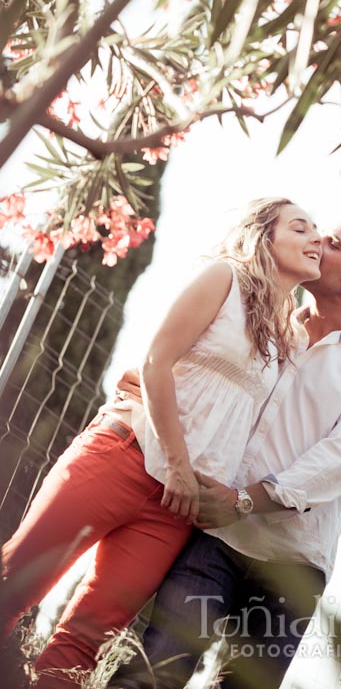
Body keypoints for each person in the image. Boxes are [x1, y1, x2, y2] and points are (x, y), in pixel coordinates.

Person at [1, 198, 322, 689]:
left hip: (175, 509)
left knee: (84, 642)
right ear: (264, 235)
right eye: (301, 228)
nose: (316, 238)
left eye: (318, 231)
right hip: (123, 455)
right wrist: (175, 463)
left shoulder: (286, 334)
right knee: (12, 585)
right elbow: (155, 361)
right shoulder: (224, 278)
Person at [108, 212, 341, 689]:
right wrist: (150, 388)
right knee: (154, 671)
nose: (314, 242)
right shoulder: (267, 319)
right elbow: (209, 380)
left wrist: (245, 501)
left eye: (332, 243)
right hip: (216, 541)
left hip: (294, 566)